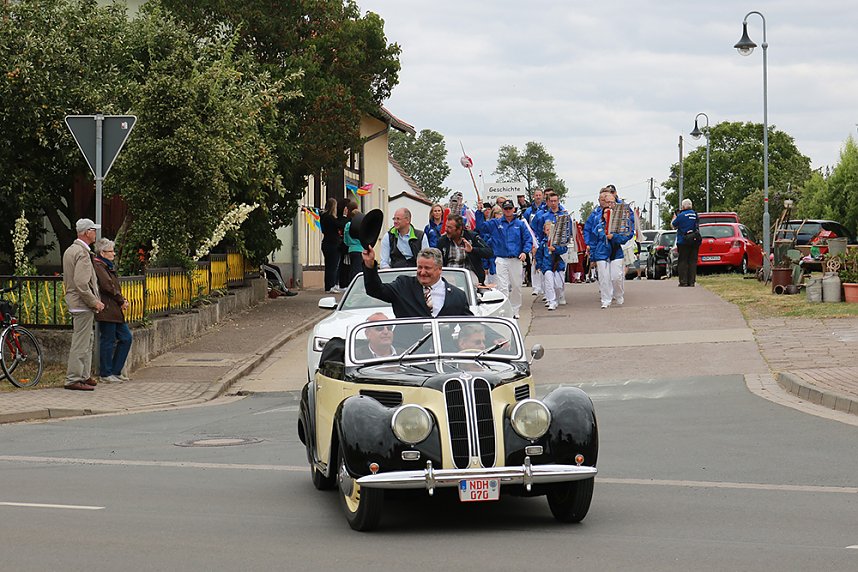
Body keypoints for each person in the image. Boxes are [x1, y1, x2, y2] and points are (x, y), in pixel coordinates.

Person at [362, 246, 472, 318]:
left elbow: (470, 326)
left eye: (427, 268)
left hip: (443, 347)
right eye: (419, 267)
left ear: (439, 269)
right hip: (407, 346)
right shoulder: (403, 286)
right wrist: (369, 264)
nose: (422, 272)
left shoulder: (458, 296)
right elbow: (375, 290)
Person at [62, 218, 105, 391]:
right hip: (82, 304)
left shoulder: (71, 250)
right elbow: (81, 283)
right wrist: (94, 301)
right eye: (93, 230)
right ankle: (74, 378)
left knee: (87, 339)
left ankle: (84, 375)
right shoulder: (82, 253)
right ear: (87, 232)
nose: (95, 233)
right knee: (81, 342)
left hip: (75, 301)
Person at [480, 199, 532, 319]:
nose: (508, 210)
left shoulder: (520, 224)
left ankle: (515, 309)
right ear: (503, 210)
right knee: (502, 286)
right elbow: (481, 227)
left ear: (513, 209)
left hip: (515, 259)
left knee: (516, 286)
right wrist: (480, 212)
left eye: (510, 208)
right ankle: (505, 309)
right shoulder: (496, 223)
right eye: (506, 208)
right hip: (501, 258)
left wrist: (524, 252)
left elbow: (528, 239)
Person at [584, 188, 634, 309]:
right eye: (607, 202)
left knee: (616, 276)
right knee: (604, 277)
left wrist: (614, 237)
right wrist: (593, 256)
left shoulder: (621, 218)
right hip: (601, 251)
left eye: (612, 202)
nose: (610, 205)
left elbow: (628, 234)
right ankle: (605, 299)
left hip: (616, 250)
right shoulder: (597, 217)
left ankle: (618, 294)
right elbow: (592, 237)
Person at [92, 238, 133, 383]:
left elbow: (114, 286)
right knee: (108, 340)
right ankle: (106, 373)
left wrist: (122, 299)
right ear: (102, 253)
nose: (113, 254)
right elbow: (107, 286)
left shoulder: (107, 266)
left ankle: (116, 371)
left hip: (114, 309)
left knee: (126, 338)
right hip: (107, 308)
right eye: (111, 251)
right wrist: (121, 300)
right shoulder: (99, 265)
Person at [436, 213, 494, 284]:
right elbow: (437, 261)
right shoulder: (442, 241)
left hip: (468, 274)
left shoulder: (472, 237)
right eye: (446, 226)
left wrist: (472, 250)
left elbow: (489, 252)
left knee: (472, 284)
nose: (446, 230)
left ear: (459, 229)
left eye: (450, 227)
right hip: (450, 274)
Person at [536, 220, 568, 310]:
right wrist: (539, 265)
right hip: (547, 265)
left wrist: (555, 249)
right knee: (549, 284)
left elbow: (564, 249)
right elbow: (539, 255)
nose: (549, 231)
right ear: (544, 231)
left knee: (558, 285)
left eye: (551, 229)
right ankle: (551, 301)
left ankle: (558, 297)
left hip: (557, 265)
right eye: (547, 230)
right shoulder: (543, 243)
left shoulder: (558, 241)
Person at [672, 198, 701, 287]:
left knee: (683, 261)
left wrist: (674, 217)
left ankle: (683, 281)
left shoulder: (681, 215)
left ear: (683, 206)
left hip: (683, 241)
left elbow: (673, 225)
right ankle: (691, 281)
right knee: (692, 261)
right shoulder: (695, 214)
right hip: (694, 240)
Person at [320, 197, 343, 293]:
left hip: (325, 243)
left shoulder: (323, 217)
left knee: (328, 266)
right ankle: (332, 285)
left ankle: (328, 286)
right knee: (333, 266)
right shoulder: (331, 218)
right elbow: (340, 225)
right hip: (333, 243)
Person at [342, 201, 363, 282]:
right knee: (358, 269)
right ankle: (356, 283)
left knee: (352, 268)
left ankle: (350, 282)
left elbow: (345, 239)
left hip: (351, 249)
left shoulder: (348, 225)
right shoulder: (361, 225)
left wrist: (349, 244)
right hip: (360, 249)